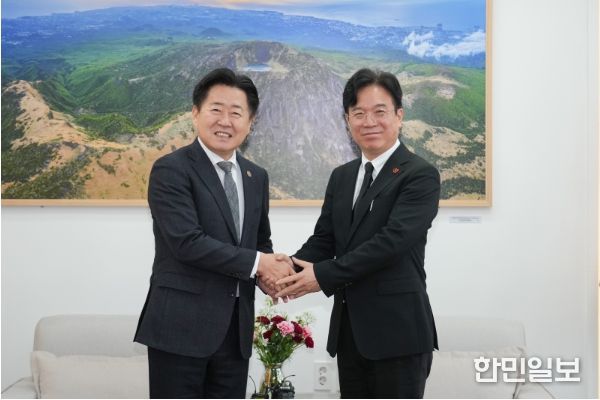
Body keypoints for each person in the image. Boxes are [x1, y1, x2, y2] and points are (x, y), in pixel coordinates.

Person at [276, 68, 440, 398]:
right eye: (359, 113)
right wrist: (285, 270)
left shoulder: (420, 175)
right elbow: (325, 239)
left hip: (399, 335)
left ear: (399, 116)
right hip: (350, 335)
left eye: (380, 111)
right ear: (347, 120)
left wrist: (321, 276)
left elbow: (390, 244)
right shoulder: (342, 176)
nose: (369, 122)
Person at [134, 68, 294, 399]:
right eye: (216, 109)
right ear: (196, 114)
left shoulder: (256, 176)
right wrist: (259, 264)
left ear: (250, 122)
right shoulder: (171, 169)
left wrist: (269, 275)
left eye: (236, 113)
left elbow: (259, 241)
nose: (225, 121)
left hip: (235, 333)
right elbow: (187, 243)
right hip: (179, 329)